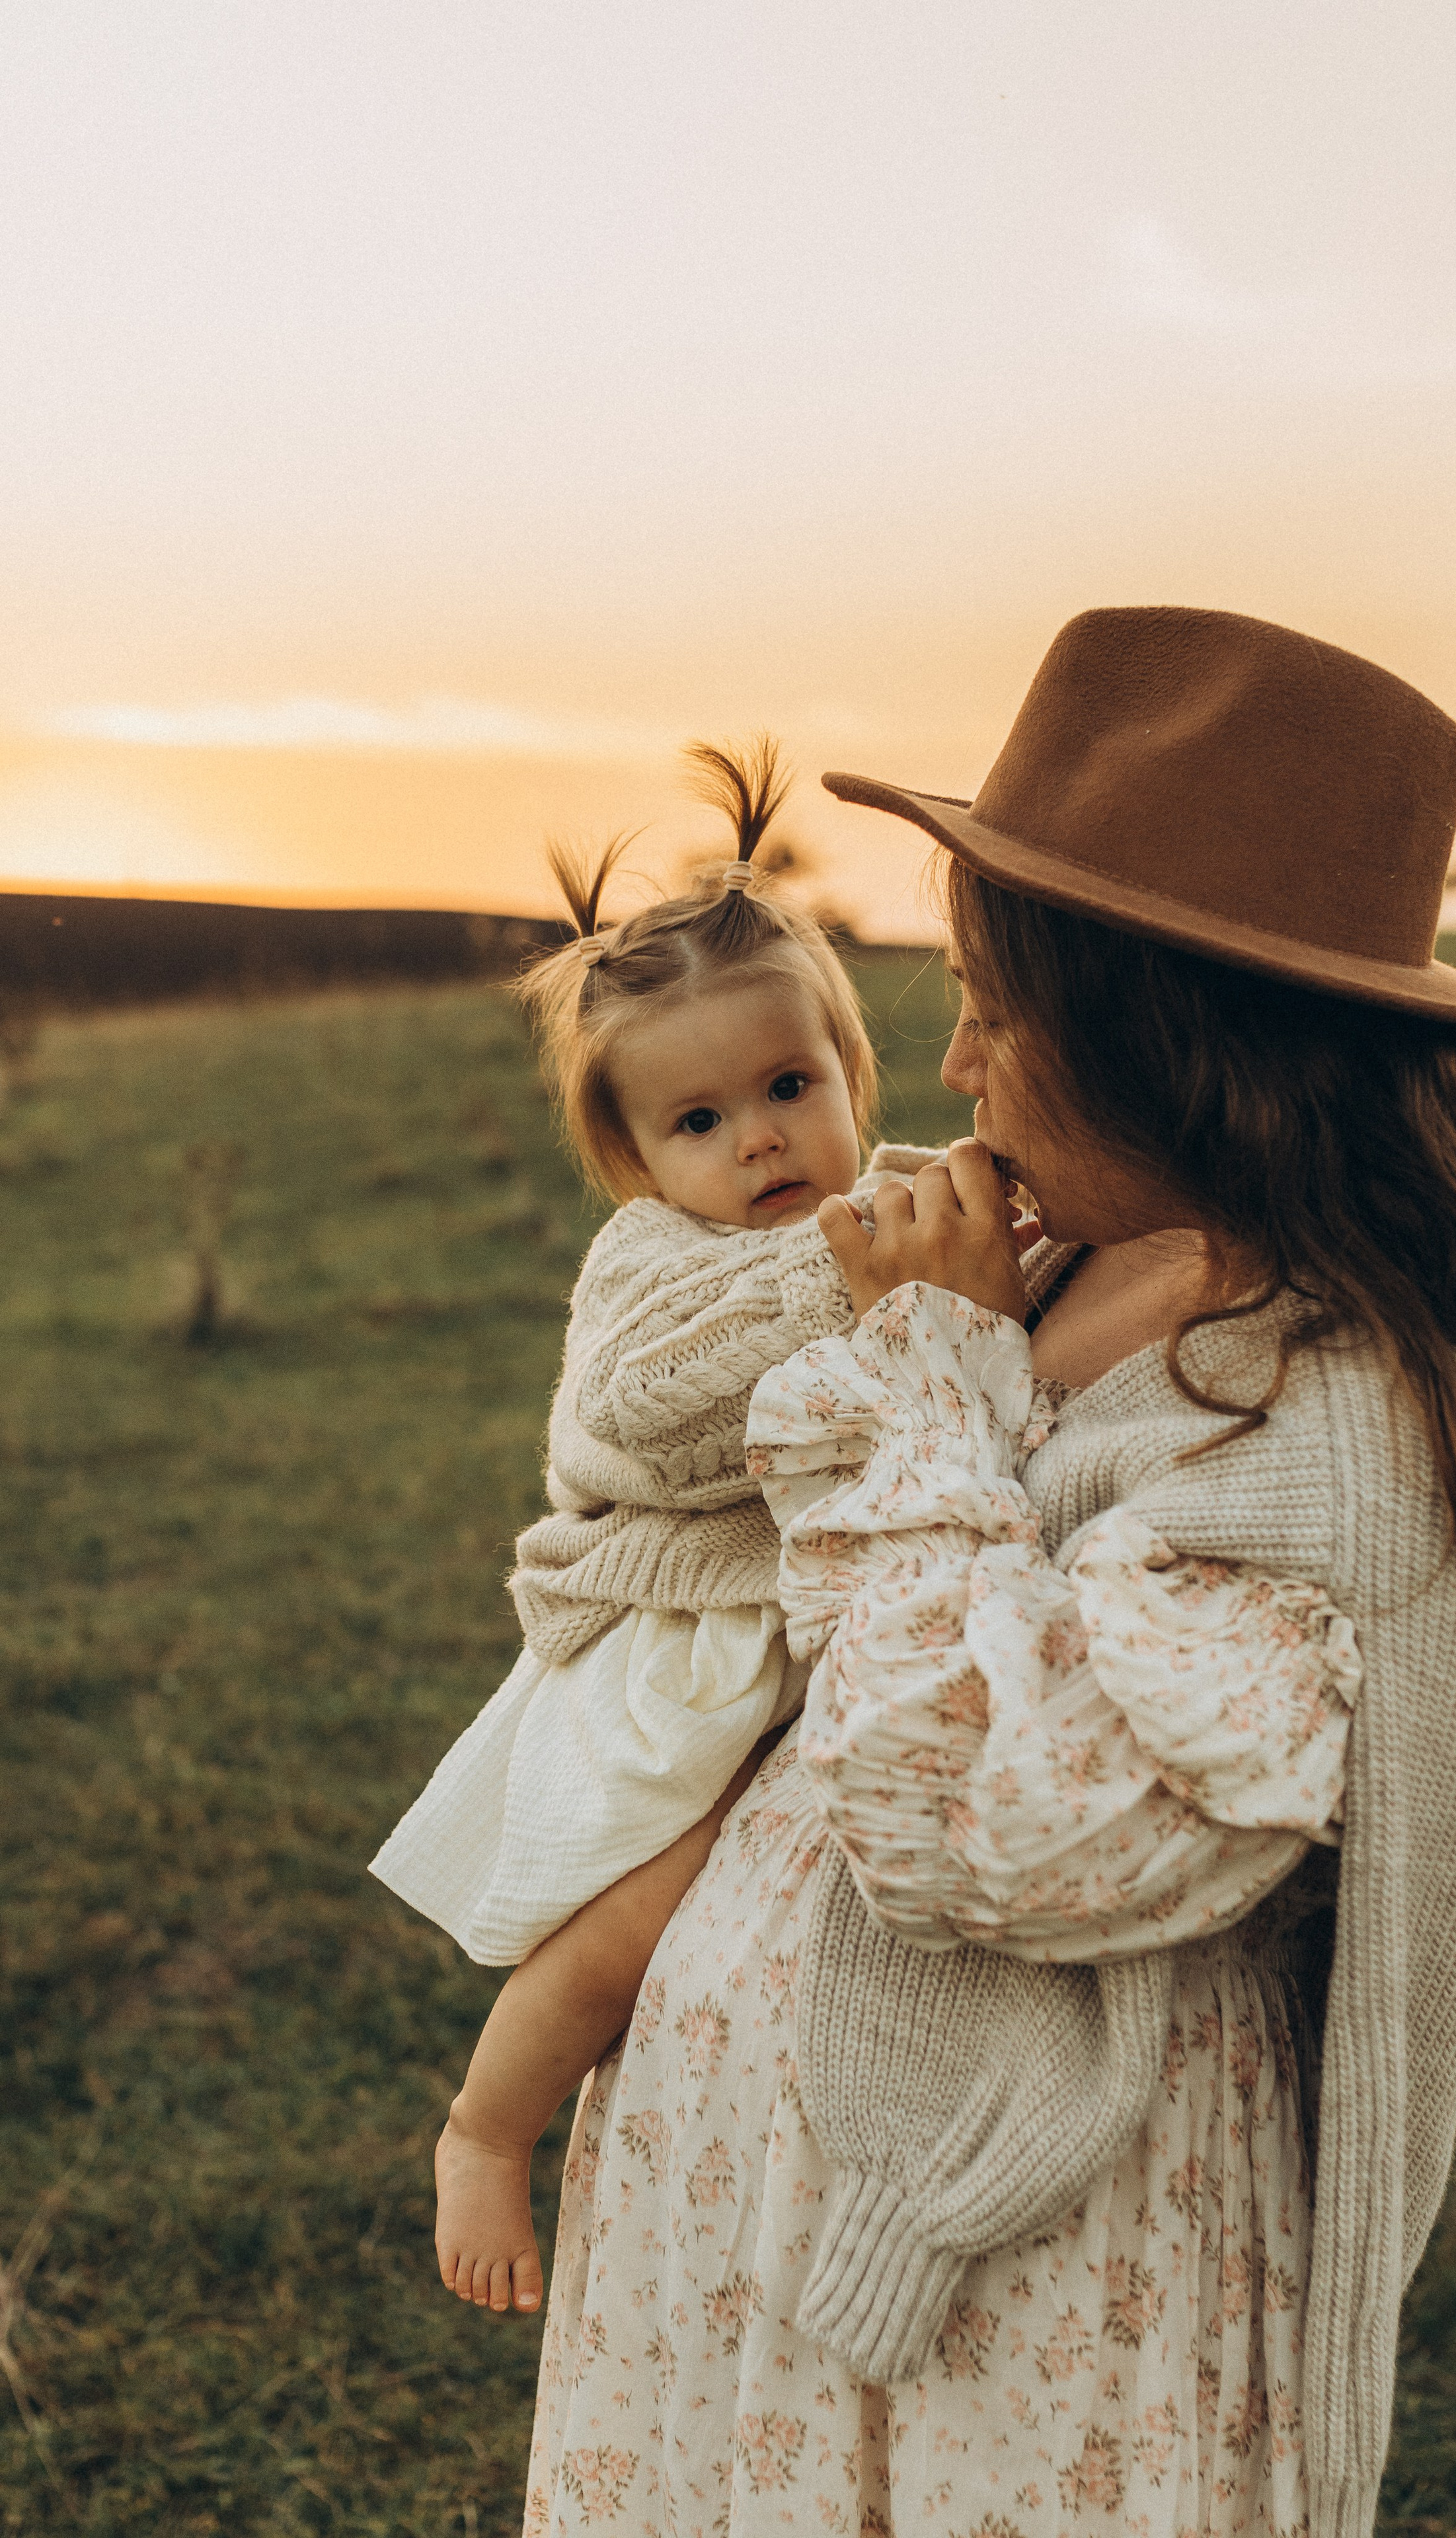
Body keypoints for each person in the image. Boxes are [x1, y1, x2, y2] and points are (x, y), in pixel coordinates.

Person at [521, 608, 1456, 2538]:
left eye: (999, 1000)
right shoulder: (1083, 1249)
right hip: (766, 2252)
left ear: (1176, 1047)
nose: (954, 1052)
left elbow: (1004, 1824)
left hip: (1027, 2318)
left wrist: (925, 1376)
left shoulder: (1382, 1448)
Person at [369, 739, 945, 2319]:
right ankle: (487, 2127)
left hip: (834, 1623)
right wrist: (853, 1270)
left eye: (785, 1089)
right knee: (649, 1904)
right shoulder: (654, 1266)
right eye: (700, 1121)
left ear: (845, 1074)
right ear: (634, 1158)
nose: (757, 1139)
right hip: (689, 1633)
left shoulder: (898, 1201)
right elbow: (643, 1413)